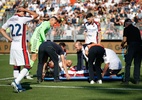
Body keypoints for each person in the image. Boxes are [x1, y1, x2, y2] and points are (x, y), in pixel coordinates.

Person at [0, 7, 38, 92]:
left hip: (13, 45)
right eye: (23, 12)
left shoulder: (10, 19)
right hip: (21, 46)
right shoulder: (22, 19)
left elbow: (2, 30)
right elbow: (36, 15)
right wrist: (27, 10)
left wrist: (9, 38)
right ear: (21, 12)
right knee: (27, 65)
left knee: (16, 66)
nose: (24, 14)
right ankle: (16, 82)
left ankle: (18, 86)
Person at [121, 18, 142, 85]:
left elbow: (124, 40)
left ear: (126, 24)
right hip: (139, 47)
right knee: (137, 64)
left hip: (131, 47)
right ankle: (137, 80)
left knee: (128, 63)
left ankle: (126, 80)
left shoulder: (126, 29)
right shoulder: (136, 29)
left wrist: (122, 45)